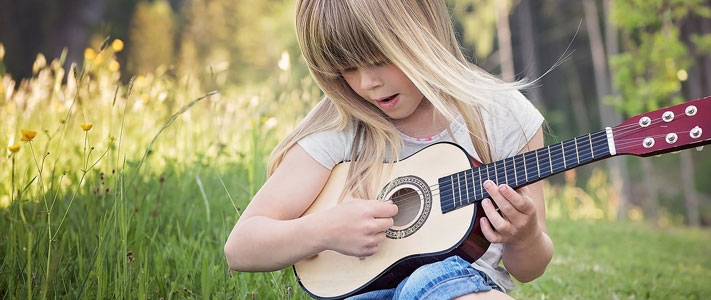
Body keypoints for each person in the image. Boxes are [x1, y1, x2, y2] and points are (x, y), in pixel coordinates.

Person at [224, 0, 553, 299]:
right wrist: (325, 230)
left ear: (423, 33)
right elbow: (240, 248)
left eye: (379, 60)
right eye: (348, 68)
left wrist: (524, 237)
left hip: (460, 286)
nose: (367, 83)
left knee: (437, 281)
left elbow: (528, 269)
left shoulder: (501, 114)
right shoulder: (341, 126)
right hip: (363, 293)